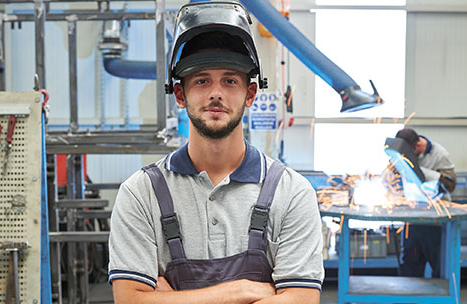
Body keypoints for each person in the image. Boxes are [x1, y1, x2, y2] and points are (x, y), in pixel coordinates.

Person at [107, 2, 324, 303]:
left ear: (250, 94)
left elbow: (302, 300)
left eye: (230, 80)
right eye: (201, 80)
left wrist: (170, 298)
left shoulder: (291, 193)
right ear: (180, 95)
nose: (216, 93)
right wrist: (241, 291)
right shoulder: (141, 194)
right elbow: (130, 301)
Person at [395, 127, 456, 278]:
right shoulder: (404, 150)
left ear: (417, 146)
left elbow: (450, 185)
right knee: (410, 264)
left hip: (435, 219)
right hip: (413, 217)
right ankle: (408, 300)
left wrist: (419, 172)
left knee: (439, 266)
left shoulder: (439, 154)